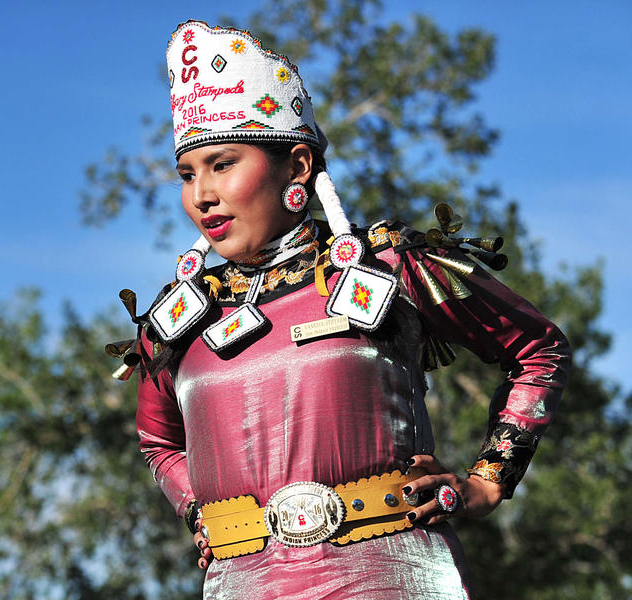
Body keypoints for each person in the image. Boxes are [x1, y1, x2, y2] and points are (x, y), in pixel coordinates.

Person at [113, 21, 570, 599]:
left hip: (391, 580)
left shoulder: (390, 268)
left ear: (298, 167)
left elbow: (537, 349)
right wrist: (197, 510)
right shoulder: (176, 323)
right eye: (187, 174)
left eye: (223, 164)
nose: (201, 194)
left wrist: (487, 481)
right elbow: (159, 443)